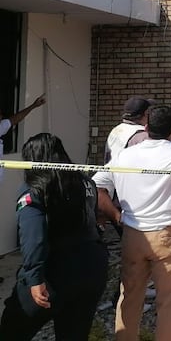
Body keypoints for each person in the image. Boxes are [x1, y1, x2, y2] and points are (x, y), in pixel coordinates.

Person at [94, 105, 171, 341]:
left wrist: (116, 215)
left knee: (129, 296)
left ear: (147, 127)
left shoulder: (125, 155)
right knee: (169, 302)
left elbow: (97, 185)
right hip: (166, 235)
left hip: (132, 234)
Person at [0, 133, 108, 340]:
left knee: (12, 330)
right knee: (73, 333)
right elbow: (93, 219)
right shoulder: (86, 182)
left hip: (55, 270)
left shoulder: (35, 187)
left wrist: (34, 278)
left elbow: (34, 236)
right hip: (92, 268)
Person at [0, 94, 46, 182]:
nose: (1, 117)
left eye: (1, 115)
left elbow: (15, 119)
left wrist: (34, 105)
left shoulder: (1, 128)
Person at [104, 96, 155, 162]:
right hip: (129, 171)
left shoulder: (117, 129)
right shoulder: (142, 135)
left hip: (112, 170)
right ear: (145, 114)